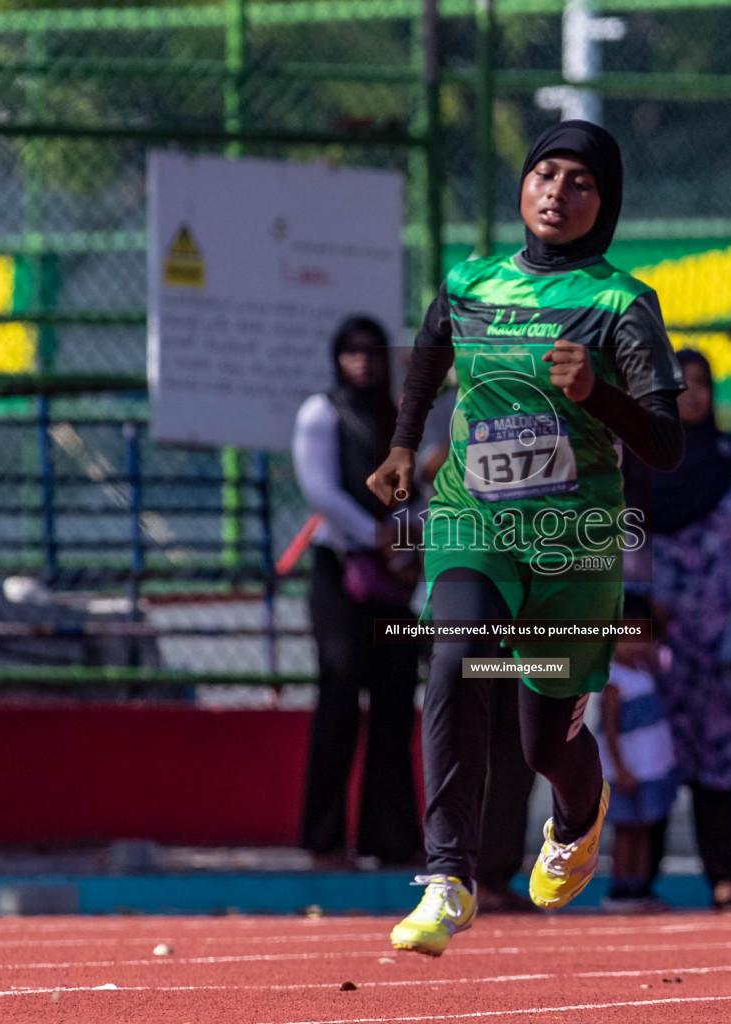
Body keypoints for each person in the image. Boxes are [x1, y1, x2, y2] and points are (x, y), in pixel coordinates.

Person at [367, 119, 685, 956]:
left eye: (580, 182)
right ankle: (448, 877)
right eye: (546, 172)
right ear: (523, 186)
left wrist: (598, 396)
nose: (557, 191)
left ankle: (580, 814)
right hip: (474, 522)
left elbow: (665, 441)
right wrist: (404, 446)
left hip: (571, 542)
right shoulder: (471, 282)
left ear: (603, 203)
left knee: (544, 737)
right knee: (454, 653)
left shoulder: (623, 303)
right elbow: (430, 352)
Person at [623, 349, 731, 911]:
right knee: (649, 757)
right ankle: (638, 879)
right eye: (679, 385)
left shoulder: (730, 455)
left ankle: (727, 878)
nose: (692, 395)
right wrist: (630, 622)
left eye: (702, 384)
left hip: (723, 642)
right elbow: (623, 541)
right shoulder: (638, 458)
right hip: (655, 643)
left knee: (723, 765)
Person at [292, 316, 423, 867]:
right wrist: (376, 537)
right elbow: (320, 489)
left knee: (395, 705)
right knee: (340, 698)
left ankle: (390, 840)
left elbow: (413, 494)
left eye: (372, 352)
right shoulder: (320, 412)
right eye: (351, 351)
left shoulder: (399, 421)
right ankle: (324, 840)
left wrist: (409, 544)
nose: (362, 362)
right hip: (340, 574)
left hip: (393, 580)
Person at [419, 379, 539, 913]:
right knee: (462, 719)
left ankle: (496, 871)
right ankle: (451, 867)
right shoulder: (449, 402)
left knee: (523, 736)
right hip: (468, 581)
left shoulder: (559, 396)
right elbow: (424, 471)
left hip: (538, 587)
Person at [598, 594, 675, 913]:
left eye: (640, 637)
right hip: (627, 769)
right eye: (625, 637)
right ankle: (621, 886)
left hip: (651, 767)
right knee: (626, 830)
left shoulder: (648, 671)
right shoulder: (613, 681)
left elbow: (665, 630)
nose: (634, 645)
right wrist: (620, 768)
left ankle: (641, 885)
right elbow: (609, 730)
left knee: (646, 826)